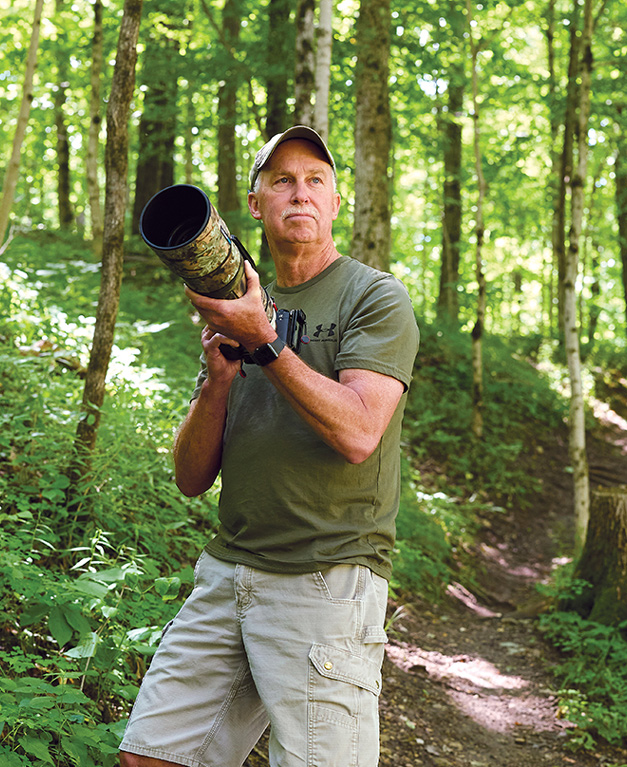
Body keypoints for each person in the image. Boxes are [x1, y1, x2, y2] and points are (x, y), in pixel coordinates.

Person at [119, 125, 419, 767]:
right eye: (283, 181)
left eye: (316, 181)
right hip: (230, 572)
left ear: (337, 202)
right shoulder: (242, 301)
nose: (300, 194)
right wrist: (219, 382)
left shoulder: (374, 297)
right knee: (151, 756)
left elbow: (360, 432)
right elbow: (192, 477)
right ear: (255, 204)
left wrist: (268, 344)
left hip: (325, 577)